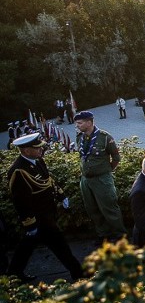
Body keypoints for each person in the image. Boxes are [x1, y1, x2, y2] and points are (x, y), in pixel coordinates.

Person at [6, 133, 84, 282]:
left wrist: (61, 195)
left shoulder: (38, 160)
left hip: (48, 212)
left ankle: (13, 275)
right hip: (39, 218)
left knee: (26, 247)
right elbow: (20, 201)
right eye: (37, 148)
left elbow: (48, 180)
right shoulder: (18, 171)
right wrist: (30, 224)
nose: (41, 149)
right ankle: (78, 273)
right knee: (60, 246)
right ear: (26, 150)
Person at [74, 111, 126, 242]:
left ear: (89, 122)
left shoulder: (105, 137)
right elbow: (82, 157)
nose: (77, 126)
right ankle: (103, 235)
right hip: (86, 180)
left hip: (102, 179)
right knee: (92, 209)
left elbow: (116, 157)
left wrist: (106, 171)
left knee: (109, 208)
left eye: (80, 123)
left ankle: (120, 236)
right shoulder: (80, 137)